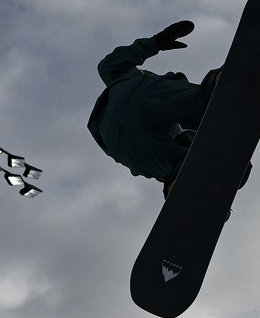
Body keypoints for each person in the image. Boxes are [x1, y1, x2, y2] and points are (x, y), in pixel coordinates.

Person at [87, 21, 221, 193]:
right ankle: (217, 86)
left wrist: (157, 41)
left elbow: (107, 65)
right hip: (140, 95)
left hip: (115, 140)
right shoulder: (182, 122)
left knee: (176, 165)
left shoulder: (123, 80)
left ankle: (179, 185)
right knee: (207, 106)